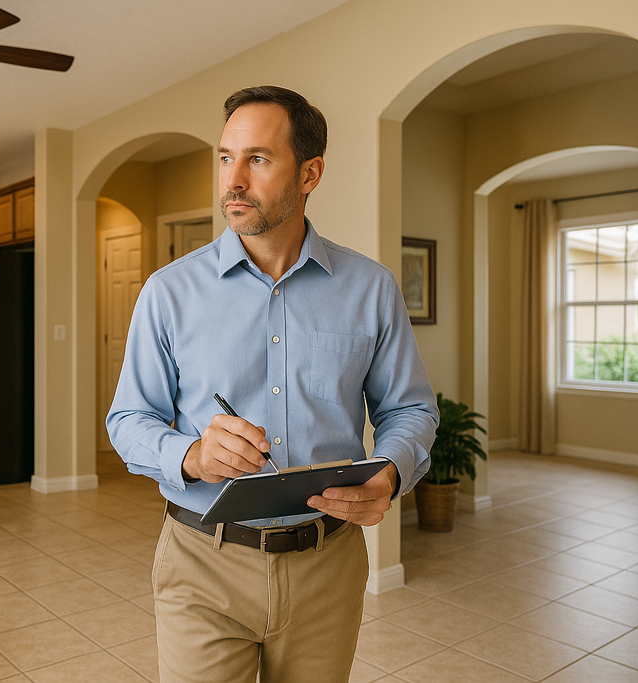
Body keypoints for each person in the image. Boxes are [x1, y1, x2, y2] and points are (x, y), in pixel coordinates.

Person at [106, 85, 438, 683]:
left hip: (328, 565)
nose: (233, 180)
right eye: (225, 158)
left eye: (257, 159)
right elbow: (128, 419)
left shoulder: (371, 288)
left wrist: (390, 471)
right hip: (202, 562)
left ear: (310, 173)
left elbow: (410, 408)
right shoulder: (167, 292)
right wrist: (191, 455)